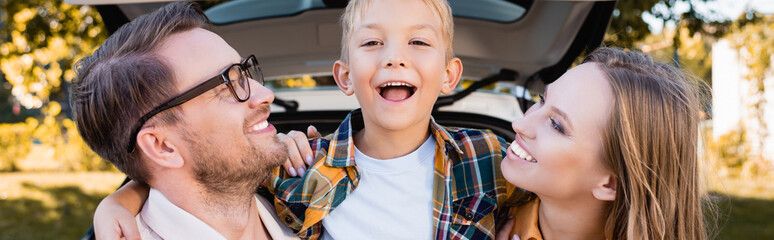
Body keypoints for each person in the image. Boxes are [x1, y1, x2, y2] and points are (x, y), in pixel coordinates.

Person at [96, 0, 516, 239]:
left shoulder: (488, 158)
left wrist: (532, 218)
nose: (395, 56)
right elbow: (198, 176)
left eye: (419, 41)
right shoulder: (303, 167)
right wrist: (123, 198)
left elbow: (560, 193)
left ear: (450, 74)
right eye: (230, 85)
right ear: (344, 76)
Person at [70, 2, 301, 239]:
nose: (265, 94)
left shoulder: (308, 205)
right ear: (163, 146)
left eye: (243, 72)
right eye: (226, 85)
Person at [496, 47, 712, 240]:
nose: (520, 123)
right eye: (542, 99)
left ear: (610, 184)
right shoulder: (478, 210)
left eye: (556, 125)